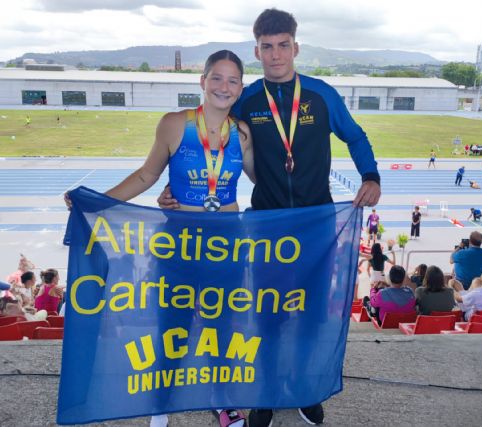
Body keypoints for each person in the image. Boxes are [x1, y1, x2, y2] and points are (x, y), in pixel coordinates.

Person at [158, 9, 381, 426]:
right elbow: (204, 137)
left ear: (295, 47)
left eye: (283, 45)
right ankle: (266, 392)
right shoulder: (246, 98)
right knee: (269, 314)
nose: (275, 54)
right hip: (268, 226)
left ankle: (305, 388)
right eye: (266, 47)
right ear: (256, 50)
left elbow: (355, 135)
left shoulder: (320, 95)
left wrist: (371, 175)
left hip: (318, 226)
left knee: (312, 313)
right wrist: (175, 189)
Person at [67, 50, 252, 427]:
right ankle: (162, 400)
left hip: (226, 241)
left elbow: (265, 186)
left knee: (221, 326)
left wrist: (308, 206)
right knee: (174, 324)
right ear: (202, 81)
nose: (224, 86)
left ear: (240, 88)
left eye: (233, 80)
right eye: (216, 77)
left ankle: (222, 399)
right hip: (180, 239)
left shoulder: (243, 133)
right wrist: (97, 202)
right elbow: (146, 176)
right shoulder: (174, 124)